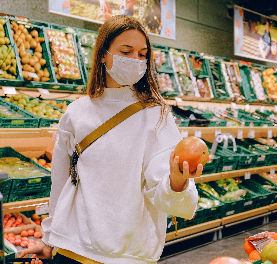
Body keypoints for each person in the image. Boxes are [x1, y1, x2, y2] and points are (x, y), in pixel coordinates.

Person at [20, 15, 203, 264]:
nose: (136, 61)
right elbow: (61, 182)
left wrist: (177, 183)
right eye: (126, 52)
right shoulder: (76, 113)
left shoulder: (157, 116)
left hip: (126, 256)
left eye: (142, 54)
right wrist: (50, 238)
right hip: (71, 248)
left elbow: (176, 203)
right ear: (103, 54)